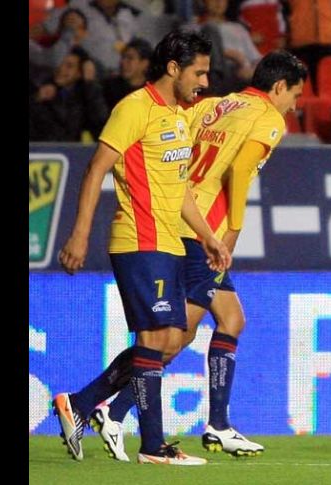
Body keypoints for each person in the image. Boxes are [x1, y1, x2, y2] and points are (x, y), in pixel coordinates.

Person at [86, 50, 307, 461]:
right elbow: (240, 172)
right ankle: (96, 405)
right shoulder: (269, 118)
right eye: (294, 95)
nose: (294, 105)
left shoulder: (213, 104)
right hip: (203, 230)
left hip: (185, 223)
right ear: (279, 88)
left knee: (231, 318)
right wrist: (232, 232)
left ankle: (215, 424)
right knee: (171, 337)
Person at [52, 29, 231, 466]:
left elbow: (180, 189)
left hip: (171, 242)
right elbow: (95, 170)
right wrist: (79, 234)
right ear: (173, 68)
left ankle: (80, 403)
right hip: (138, 238)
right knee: (154, 337)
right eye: (199, 72)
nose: (205, 83)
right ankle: (154, 446)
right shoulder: (134, 108)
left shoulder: (179, 116)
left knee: (170, 338)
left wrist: (208, 236)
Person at [101, 37, 153, 109]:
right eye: (123, 57)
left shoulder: (153, 93)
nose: (123, 62)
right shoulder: (109, 87)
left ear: (144, 63)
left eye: (130, 58)